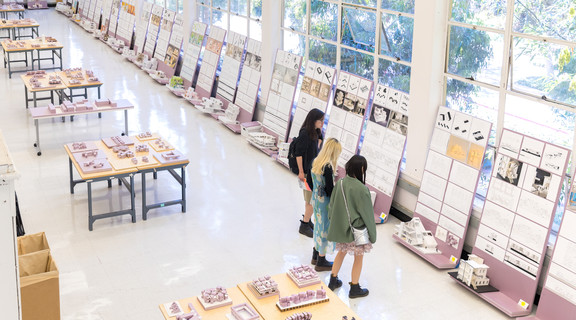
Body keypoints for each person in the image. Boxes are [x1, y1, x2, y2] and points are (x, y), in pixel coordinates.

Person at [326, 155, 376, 298]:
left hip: (342, 229)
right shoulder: (362, 189)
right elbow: (367, 215)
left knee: (340, 253)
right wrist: (372, 235)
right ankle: (354, 288)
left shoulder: (340, 183)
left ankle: (333, 280)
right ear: (361, 169)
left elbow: (332, 206)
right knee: (358, 258)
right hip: (357, 231)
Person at [310, 138, 342, 271]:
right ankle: (321, 261)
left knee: (317, 226)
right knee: (324, 229)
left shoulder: (316, 161)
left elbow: (310, 181)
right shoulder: (328, 167)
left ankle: (315, 255)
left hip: (316, 200)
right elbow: (330, 189)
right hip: (325, 205)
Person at [294, 108, 325, 238]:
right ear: (313, 120)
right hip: (307, 172)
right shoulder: (305, 133)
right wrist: (301, 171)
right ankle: (304, 224)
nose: (323, 123)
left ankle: (308, 220)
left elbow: (317, 147)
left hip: (313, 170)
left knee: (309, 199)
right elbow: (298, 154)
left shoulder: (315, 132)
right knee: (312, 200)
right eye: (321, 120)